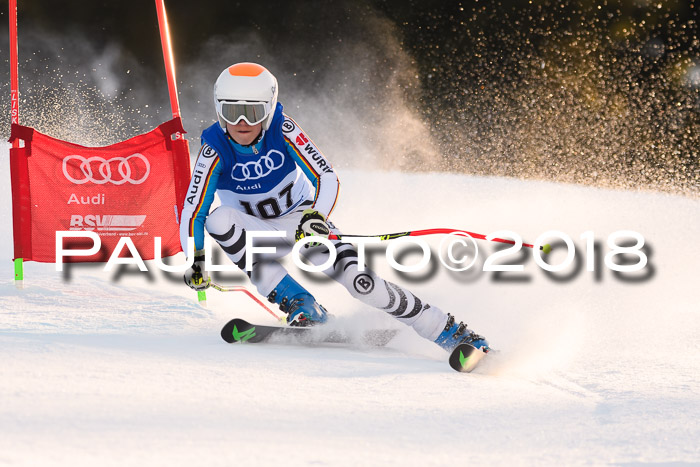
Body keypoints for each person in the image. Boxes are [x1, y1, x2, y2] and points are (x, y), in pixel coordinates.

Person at [180, 62, 489, 353]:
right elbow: (194, 212)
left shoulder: (283, 130)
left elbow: (325, 175)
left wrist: (317, 215)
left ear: (269, 110)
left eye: (252, 112)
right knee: (219, 220)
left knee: (361, 284)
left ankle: (449, 331)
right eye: (231, 112)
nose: (241, 123)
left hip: (302, 223)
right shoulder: (214, 150)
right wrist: (195, 260)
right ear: (219, 110)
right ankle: (302, 304)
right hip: (259, 235)